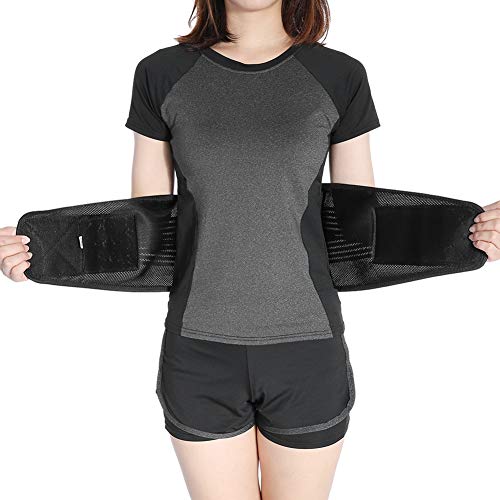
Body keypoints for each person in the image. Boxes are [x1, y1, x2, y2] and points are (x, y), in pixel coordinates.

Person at [1, 1, 499, 499]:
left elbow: (360, 229)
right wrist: (41, 253)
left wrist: (470, 235)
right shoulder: (162, 73)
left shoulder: (339, 75)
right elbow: (146, 233)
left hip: (307, 350)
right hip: (199, 352)